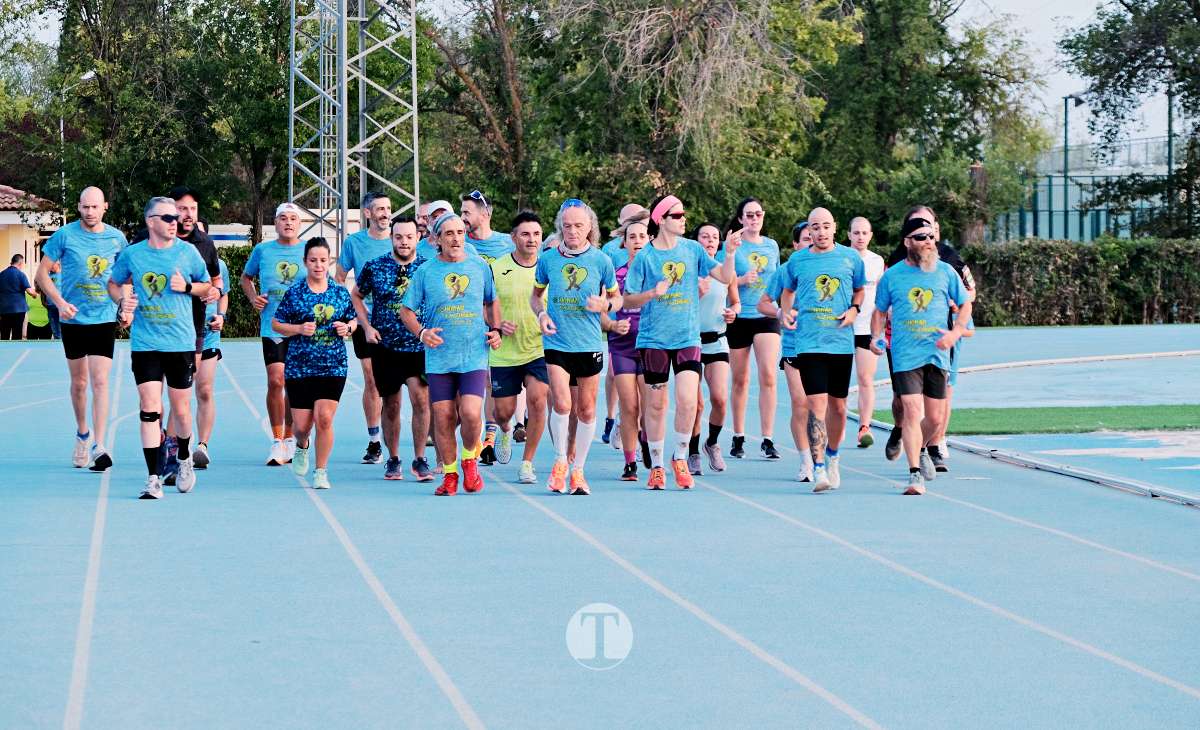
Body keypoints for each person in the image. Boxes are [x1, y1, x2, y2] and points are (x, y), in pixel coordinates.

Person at [622, 195, 739, 489]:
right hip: (654, 340)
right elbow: (628, 298)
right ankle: (658, 465)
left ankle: (681, 457)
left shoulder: (693, 249)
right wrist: (652, 294)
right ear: (662, 220)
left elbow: (724, 276)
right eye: (678, 215)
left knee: (688, 401)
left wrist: (731, 253)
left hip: (688, 337)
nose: (684, 218)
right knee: (657, 405)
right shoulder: (646, 257)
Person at [107, 196, 211, 499]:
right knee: (149, 408)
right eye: (167, 217)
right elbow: (114, 283)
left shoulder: (188, 252)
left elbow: (209, 286)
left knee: (180, 410)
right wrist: (121, 300)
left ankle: (183, 457)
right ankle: (153, 477)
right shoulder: (133, 255)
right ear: (151, 221)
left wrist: (188, 288)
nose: (174, 221)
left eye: (175, 216)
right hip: (145, 343)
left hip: (179, 342)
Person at [400, 212, 502, 495]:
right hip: (440, 357)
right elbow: (406, 311)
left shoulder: (480, 267)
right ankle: (450, 475)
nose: (456, 238)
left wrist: (496, 330)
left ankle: (470, 458)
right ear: (437, 239)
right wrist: (422, 333)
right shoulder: (425, 272)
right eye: (449, 234)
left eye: (460, 232)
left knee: (470, 413)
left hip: (473, 354)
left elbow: (492, 301)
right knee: (443, 416)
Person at [870, 215, 972, 495]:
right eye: (921, 238)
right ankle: (914, 473)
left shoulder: (945, 272)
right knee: (913, 411)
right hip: (905, 354)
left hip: (937, 354)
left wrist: (956, 332)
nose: (928, 242)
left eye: (931, 237)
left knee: (935, 419)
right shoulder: (892, 276)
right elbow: (879, 311)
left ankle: (923, 447)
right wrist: (876, 337)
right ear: (907, 242)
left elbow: (965, 304)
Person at [532, 198, 622, 495]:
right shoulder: (548, 259)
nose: (572, 231)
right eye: (567, 226)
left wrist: (606, 304)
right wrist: (542, 314)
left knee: (585, 409)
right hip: (557, 340)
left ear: (589, 228)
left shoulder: (601, 261)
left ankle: (578, 470)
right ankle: (560, 462)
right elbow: (536, 296)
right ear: (560, 226)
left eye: (578, 226)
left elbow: (617, 298)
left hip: (588, 342)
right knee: (562, 403)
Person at [36, 186, 129, 470]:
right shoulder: (64, 235)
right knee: (79, 383)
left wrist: (125, 307)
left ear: (105, 207)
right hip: (73, 318)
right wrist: (60, 302)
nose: (90, 212)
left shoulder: (117, 238)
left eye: (95, 207)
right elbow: (41, 275)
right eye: (85, 207)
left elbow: (125, 277)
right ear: (79, 207)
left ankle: (99, 445)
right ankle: (82, 433)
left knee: (101, 381)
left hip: (103, 317)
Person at [777, 207, 865, 491]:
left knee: (838, 408)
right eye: (815, 227)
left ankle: (833, 457)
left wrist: (854, 309)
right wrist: (786, 313)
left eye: (826, 226)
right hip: (809, 342)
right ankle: (818, 469)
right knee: (816, 406)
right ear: (810, 230)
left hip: (840, 342)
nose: (821, 232)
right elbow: (786, 290)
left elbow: (860, 289)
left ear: (835, 228)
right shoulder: (798, 260)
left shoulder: (850, 258)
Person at [351, 215, 434, 482]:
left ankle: (420, 458)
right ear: (391, 238)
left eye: (409, 236)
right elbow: (356, 295)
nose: (404, 242)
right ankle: (393, 458)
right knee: (391, 404)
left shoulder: (428, 267)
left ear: (418, 238)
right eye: (398, 237)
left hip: (418, 346)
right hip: (385, 347)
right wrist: (365, 326)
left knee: (421, 400)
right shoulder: (375, 267)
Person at [273, 238, 358, 489]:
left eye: (323, 260)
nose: (318, 265)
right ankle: (301, 445)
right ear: (305, 262)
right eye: (313, 260)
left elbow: (354, 320)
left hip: (333, 365)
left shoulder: (339, 292)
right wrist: (298, 328)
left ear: (329, 261)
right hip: (300, 366)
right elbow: (276, 324)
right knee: (301, 426)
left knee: (324, 419)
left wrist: (348, 328)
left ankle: (321, 470)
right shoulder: (295, 293)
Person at [241, 202, 307, 466]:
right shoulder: (263, 250)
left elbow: (321, 280)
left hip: (303, 328)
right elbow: (246, 278)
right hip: (273, 326)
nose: (288, 222)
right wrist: (254, 298)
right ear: (275, 223)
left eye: (293, 218)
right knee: (276, 380)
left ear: (299, 224)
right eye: (283, 218)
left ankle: (291, 437)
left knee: (294, 383)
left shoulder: (307, 249)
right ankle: (277, 439)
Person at [489, 211, 550, 484]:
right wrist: (498, 324)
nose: (532, 239)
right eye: (525, 234)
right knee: (503, 411)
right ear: (513, 237)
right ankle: (504, 429)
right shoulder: (498, 267)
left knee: (538, 401)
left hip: (539, 348)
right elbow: (485, 304)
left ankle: (527, 463)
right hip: (504, 351)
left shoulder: (549, 266)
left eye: (536, 234)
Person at [720, 197, 782, 459]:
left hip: (765, 314)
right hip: (740, 315)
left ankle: (767, 438)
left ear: (763, 216)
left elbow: (777, 278)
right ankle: (739, 435)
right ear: (741, 219)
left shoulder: (772, 246)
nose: (754, 219)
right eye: (749, 215)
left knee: (768, 374)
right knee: (741, 379)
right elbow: (724, 277)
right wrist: (742, 279)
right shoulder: (733, 244)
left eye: (758, 214)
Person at [336, 192, 394, 465]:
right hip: (365, 320)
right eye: (379, 209)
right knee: (372, 380)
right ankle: (374, 441)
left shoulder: (402, 240)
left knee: (399, 384)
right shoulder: (354, 243)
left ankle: (398, 441)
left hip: (398, 322)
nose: (385, 213)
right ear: (367, 213)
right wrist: (347, 312)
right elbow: (338, 277)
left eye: (388, 208)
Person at [461, 189, 516, 463]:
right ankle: (488, 438)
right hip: (476, 325)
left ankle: (502, 429)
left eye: (467, 213)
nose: (463, 219)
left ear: (485, 214)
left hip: (508, 324)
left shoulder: (508, 243)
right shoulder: (464, 247)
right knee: (483, 380)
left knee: (499, 384)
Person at [757, 221, 813, 482]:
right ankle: (806, 461)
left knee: (825, 408)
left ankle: (825, 456)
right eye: (805, 239)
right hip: (794, 345)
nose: (811, 242)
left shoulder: (834, 267)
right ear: (795, 244)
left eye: (815, 237)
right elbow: (763, 303)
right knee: (801, 404)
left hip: (826, 345)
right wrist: (782, 313)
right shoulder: (786, 270)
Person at [601, 209, 650, 481]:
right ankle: (630, 462)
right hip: (621, 346)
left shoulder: (656, 276)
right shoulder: (615, 276)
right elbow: (603, 312)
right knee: (629, 406)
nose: (638, 241)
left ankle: (646, 440)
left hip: (649, 346)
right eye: (632, 237)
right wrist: (611, 324)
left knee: (646, 407)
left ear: (649, 239)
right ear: (625, 242)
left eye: (643, 236)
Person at [694, 222, 739, 474]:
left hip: (718, 340)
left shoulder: (725, 271)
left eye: (714, 237)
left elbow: (736, 302)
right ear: (696, 241)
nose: (710, 241)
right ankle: (691, 451)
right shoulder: (689, 270)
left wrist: (733, 312)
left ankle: (711, 443)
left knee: (720, 399)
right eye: (704, 236)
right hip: (691, 342)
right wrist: (696, 294)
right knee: (695, 404)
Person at [848, 216, 886, 448]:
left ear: (870, 236)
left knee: (865, 378)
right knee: (838, 384)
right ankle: (834, 424)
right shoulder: (843, 257)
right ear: (849, 235)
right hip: (842, 327)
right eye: (856, 233)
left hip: (867, 328)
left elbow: (881, 296)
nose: (860, 237)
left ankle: (864, 427)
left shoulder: (877, 261)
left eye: (864, 233)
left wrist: (879, 329)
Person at [193, 257, 229, 469]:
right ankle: (172, 444)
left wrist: (221, 315)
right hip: (181, 336)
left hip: (208, 335)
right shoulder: (177, 259)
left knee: (205, 389)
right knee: (178, 393)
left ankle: (202, 445)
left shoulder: (218, 265)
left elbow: (223, 296)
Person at [0, 254, 36, 339]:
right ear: (20, 263)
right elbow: (30, 291)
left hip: (4, 309)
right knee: (17, 334)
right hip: (18, 310)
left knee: (4, 334)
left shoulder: (1, 274)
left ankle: (4, 352)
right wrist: (36, 294)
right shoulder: (20, 274)